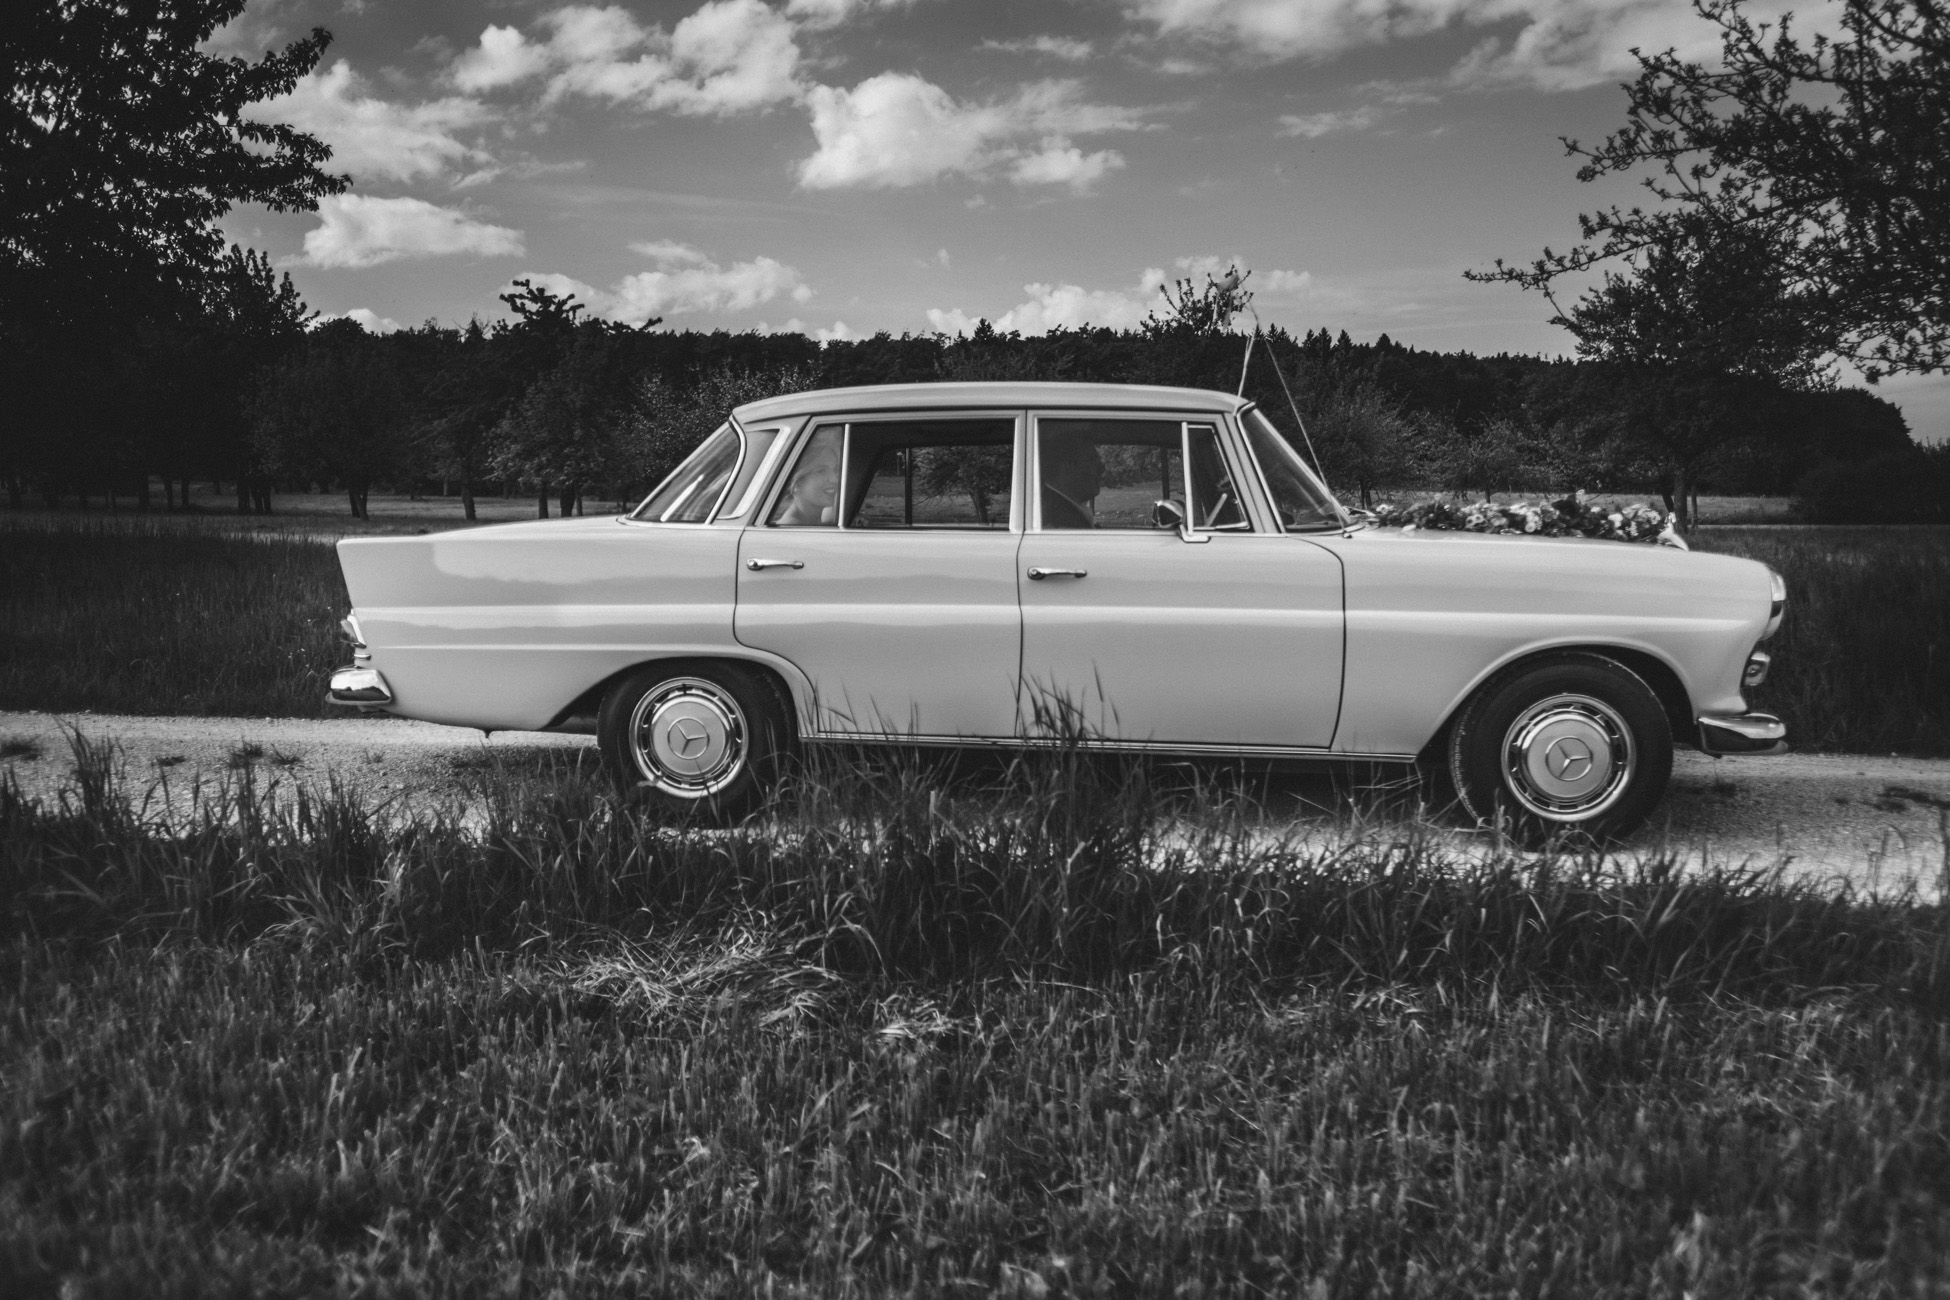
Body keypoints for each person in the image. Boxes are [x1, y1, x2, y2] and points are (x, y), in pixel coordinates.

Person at [772, 435, 840, 526]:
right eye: (821, 471)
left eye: (835, 470)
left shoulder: (812, 524)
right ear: (796, 484)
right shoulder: (793, 528)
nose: (834, 479)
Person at [1040, 438, 1102, 529]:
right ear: (1067, 468)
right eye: (1091, 461)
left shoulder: (1057, 509)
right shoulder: (1059, 520)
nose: (1102, 469)